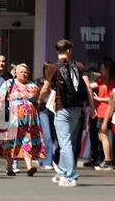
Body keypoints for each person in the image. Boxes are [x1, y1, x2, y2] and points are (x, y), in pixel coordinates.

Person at [39, 40, 93, 188]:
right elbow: (88, 87)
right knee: (68, 142)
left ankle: (71, 175)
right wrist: (92, 107)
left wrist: (38, 100)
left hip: (62, 109)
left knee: (65, 142)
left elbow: (45, 89)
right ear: (68, 51)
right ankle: (62, 172)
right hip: (77, 109)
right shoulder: (80, 66)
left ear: (58, 51)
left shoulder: (53, 68)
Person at [0, 63, 44, 176]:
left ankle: (29, 167)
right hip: (12, 119)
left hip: (28, 121)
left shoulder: (32, 85)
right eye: (22, 72)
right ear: (15, 73)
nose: (24, 74)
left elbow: (36, 99)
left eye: (26, 72)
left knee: (27, 142)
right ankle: (9, 168)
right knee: (11, 142)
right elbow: (0, 98)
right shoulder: (9, 83)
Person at [88, 59, 115, 170]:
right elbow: (90, 85)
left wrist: (100, 98)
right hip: (99, 111)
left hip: (105, 111)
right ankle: (107, 159)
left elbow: (113, 98)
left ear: (108, 69)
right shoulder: (100, 79)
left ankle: (108, 160)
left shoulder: (112, 82)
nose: (100, 70)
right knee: (101, 135)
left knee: (103, 135)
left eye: (103, 68)